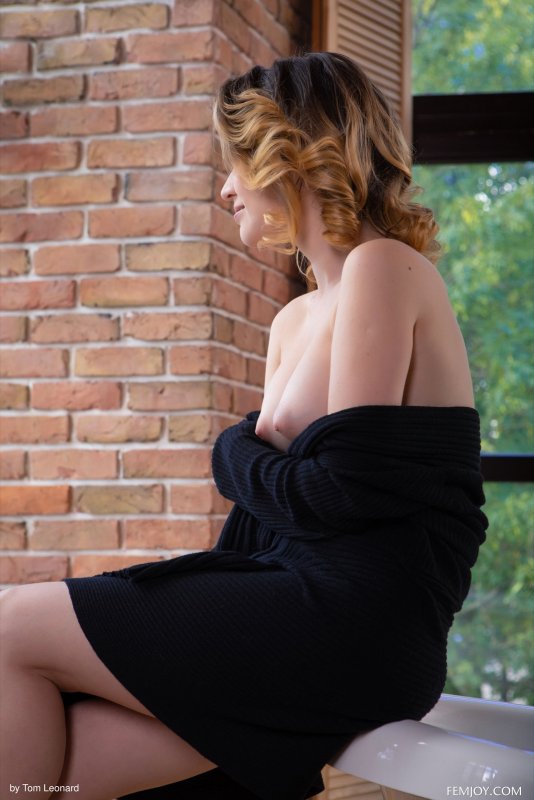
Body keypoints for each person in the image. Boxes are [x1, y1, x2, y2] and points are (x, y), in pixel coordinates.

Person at [0, 52, 487, 800]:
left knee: (11, 625)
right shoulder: (293, 320)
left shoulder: (385, 268)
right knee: (62, 764)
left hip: (362, 623)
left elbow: (339, 494)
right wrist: (240, 481)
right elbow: (268, 514)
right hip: (286, 599)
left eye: (235, 162)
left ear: (287, 154)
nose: (226, 188)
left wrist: (232, 450)